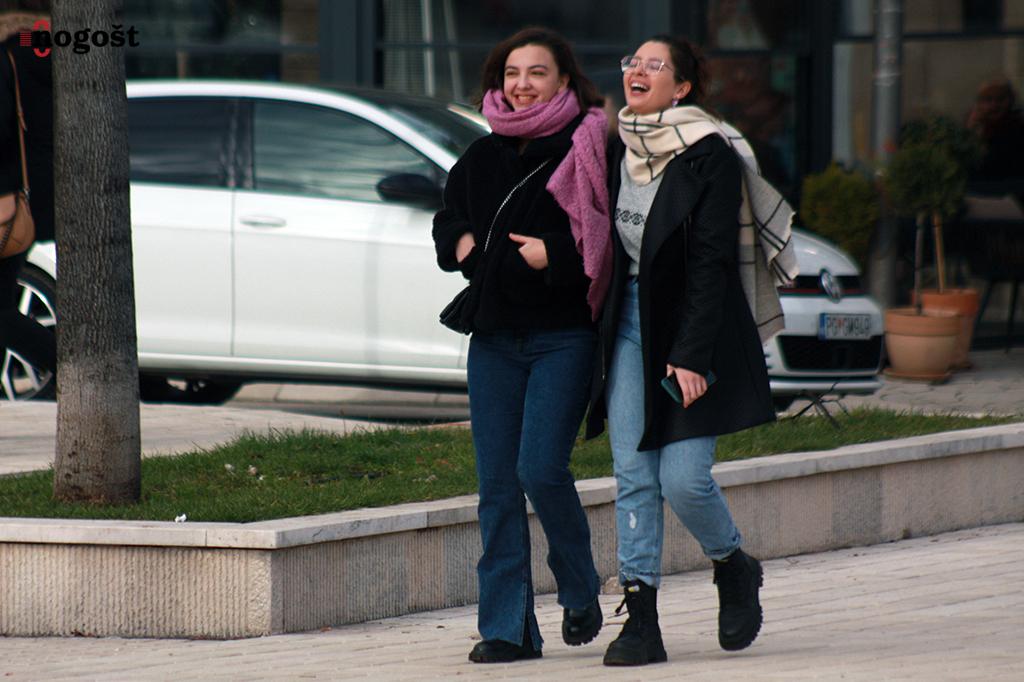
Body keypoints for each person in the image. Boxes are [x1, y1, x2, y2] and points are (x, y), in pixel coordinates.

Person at [586, 35, 798, 666]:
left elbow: (710, 264)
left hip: (691, 330)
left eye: (655, 65)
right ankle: (641, 620)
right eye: (632, 61)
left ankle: (733, 564)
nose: (638, 70)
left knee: (682, 479)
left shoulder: (709, 155)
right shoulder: (616, 147)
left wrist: (692, 355)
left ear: (681, 88)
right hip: (629, 322)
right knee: (634, 475)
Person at [432, 27, 612, 664]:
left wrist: (553, 254)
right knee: (497, 487)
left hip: (563, 335)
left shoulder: (588, 145)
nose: (522, 84)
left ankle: (580, 587)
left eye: (537, 72)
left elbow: (608, 235)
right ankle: (507, 628)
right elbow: (449, 214)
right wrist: (460, 243)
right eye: (512, 73)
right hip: (494, 338)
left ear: (564, 80)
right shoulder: (483, 154)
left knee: (540, 469)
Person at [0, 3, 56, 390]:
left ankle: (65, 364)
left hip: (8, 196)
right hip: (35, 194)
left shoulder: (7, 50)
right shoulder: (48, 45)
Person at [966, 78, 1024, 186]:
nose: (994, 105)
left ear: (1011, 101)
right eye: (988, 100)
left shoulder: (1017, 128)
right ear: (979, 104)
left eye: (1000, 99)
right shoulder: (975, 126)